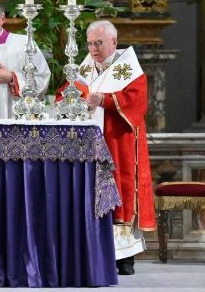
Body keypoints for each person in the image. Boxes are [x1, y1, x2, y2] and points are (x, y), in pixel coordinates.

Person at [70, 20, 155, 275]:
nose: (93, 49)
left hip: (119, 143)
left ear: (114, 42)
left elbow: (137, 101)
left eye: (98, 43)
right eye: (89, 43)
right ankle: (93, 252)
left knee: (120, 193)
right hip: (88, 144)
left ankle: (124, 257)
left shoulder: (129, 69)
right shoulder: (85, 67)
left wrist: (106, 100)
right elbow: (68, 91)